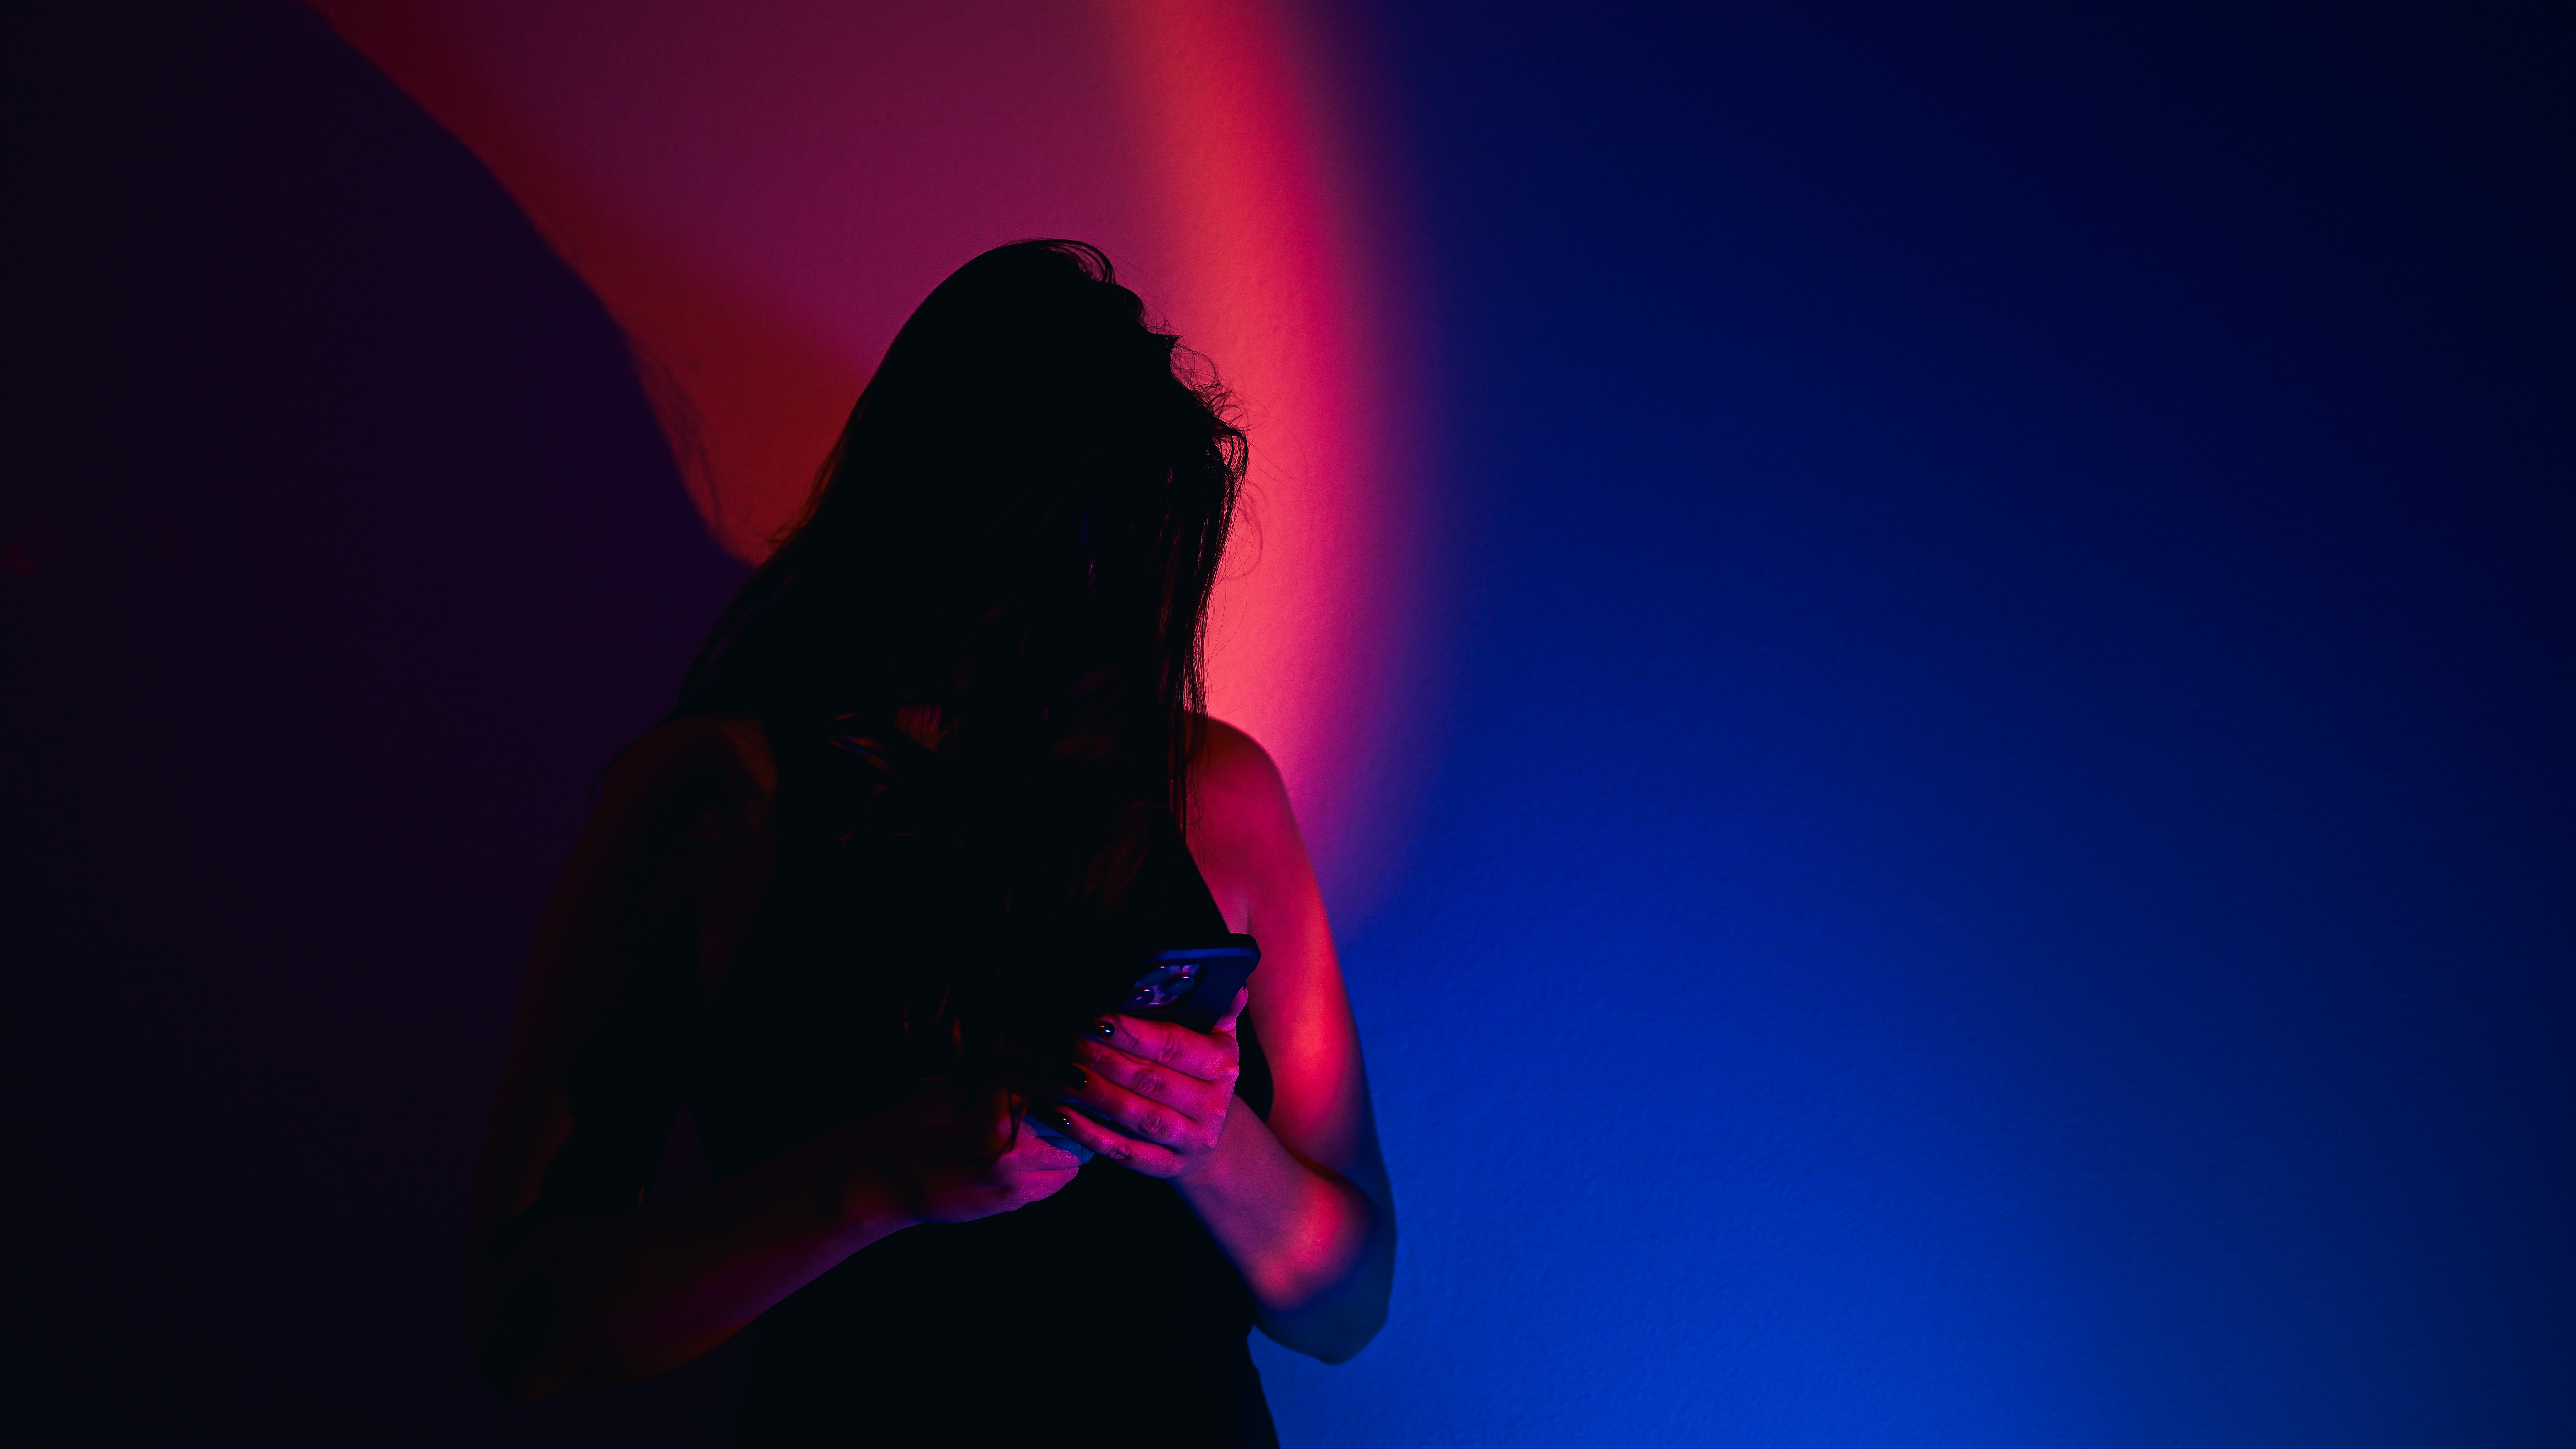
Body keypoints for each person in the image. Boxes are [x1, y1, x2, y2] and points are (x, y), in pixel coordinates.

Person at [461, 241, 1395, 1446]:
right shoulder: (716, 800)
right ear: (953, 521)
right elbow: (527, 1327)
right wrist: (886, 1176)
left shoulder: (1216, 793)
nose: (1121, 615)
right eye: (1082, 553)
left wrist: (1209, 1144)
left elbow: (1351, 1303)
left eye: (1151, 560)